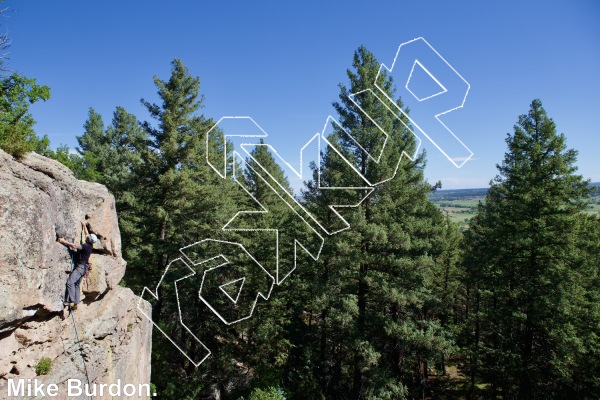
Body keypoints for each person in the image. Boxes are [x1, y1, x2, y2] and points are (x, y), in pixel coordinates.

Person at [57, 220, 98, 310]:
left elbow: (75, 246)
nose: (86, 237)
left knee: (70, 283)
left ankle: (71, 302)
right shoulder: (90, 245)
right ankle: (76, 302)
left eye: (88, 237)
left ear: (89, 240)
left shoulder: (86, 246)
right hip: (84, 268)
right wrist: (84, 226)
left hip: (80, 267)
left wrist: (64, 241)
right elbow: (87, 234)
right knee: (76, 285)